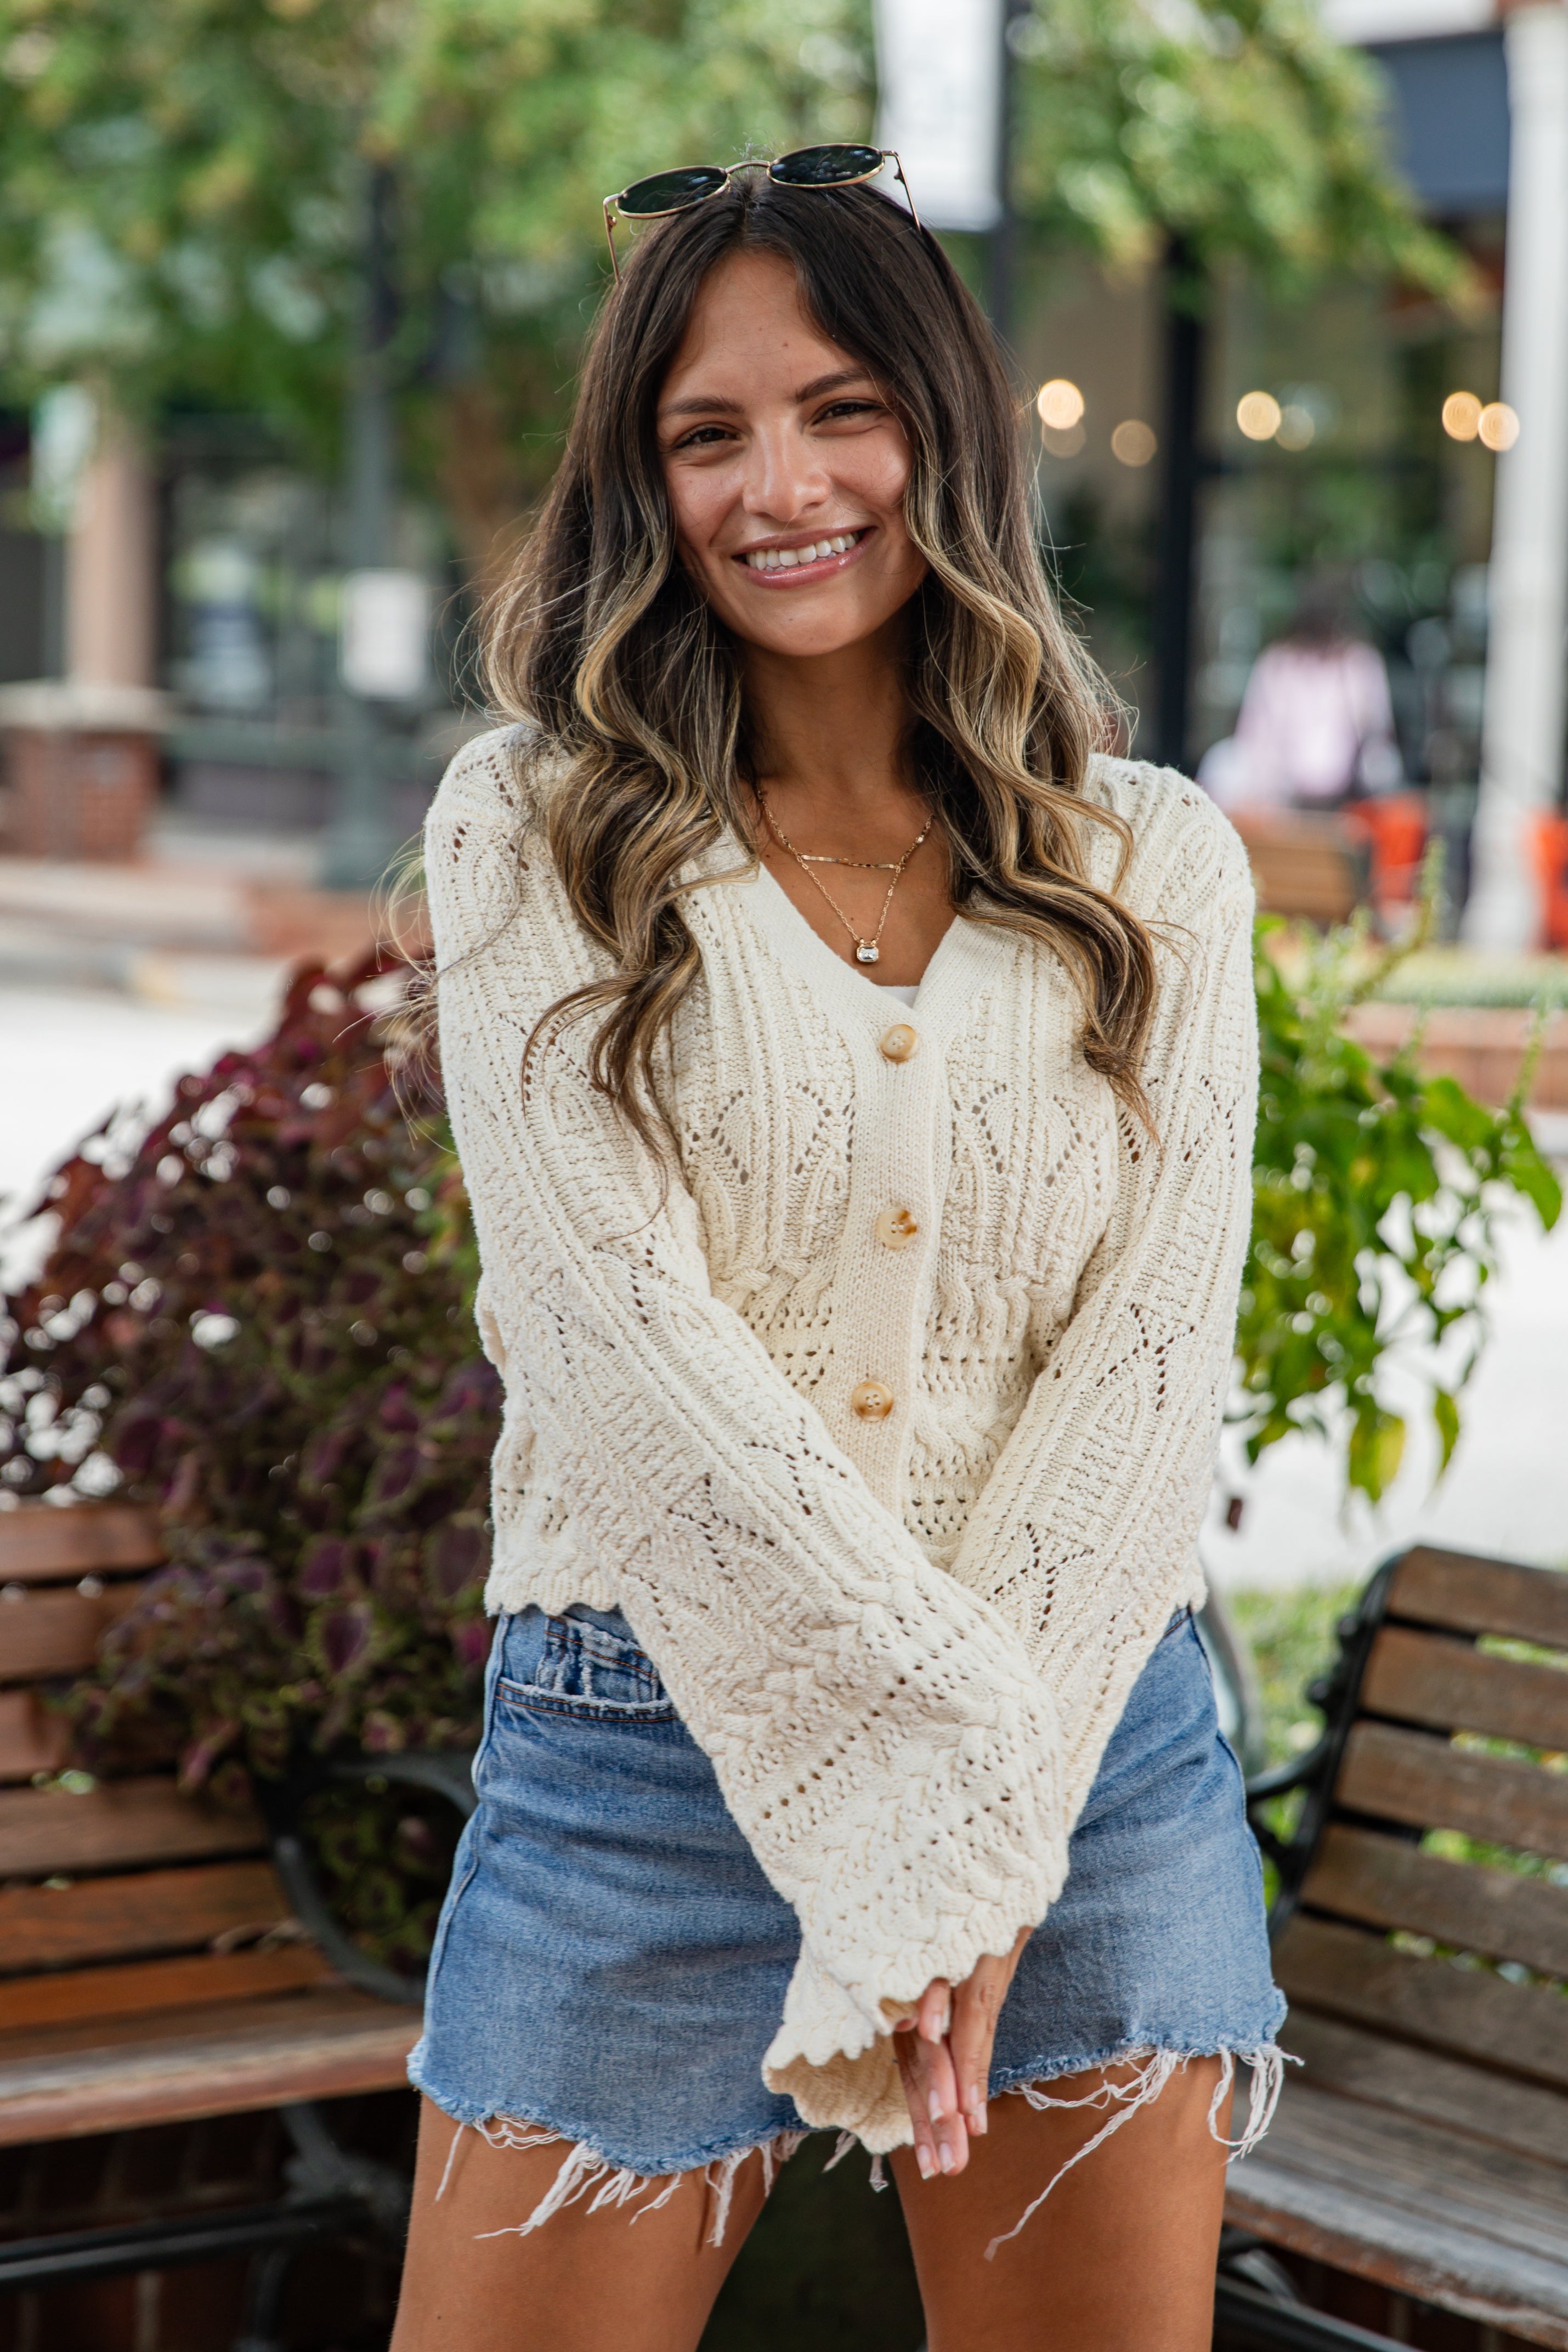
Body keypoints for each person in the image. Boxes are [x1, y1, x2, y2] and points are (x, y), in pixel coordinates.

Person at [393, 155, 1282, 2352]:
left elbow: (1153, 1359)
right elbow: (607, 1341)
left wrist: (990, 1806)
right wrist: (930, 1789)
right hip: (645, 1754)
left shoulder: (1150, 854)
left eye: (842, 408)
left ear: (947, 433)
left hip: (1091, 1751)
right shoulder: (537, 833)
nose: (779, 484)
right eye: (709, 433)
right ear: (642, 477)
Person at [1199, 577, 1403, 814]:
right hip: (1279, 792)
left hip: (1350, 790)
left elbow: (1378, 733)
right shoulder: (1278, 663)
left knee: (1385, 767)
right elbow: (1254, 738)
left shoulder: (1359, 664)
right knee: (1222, 763)